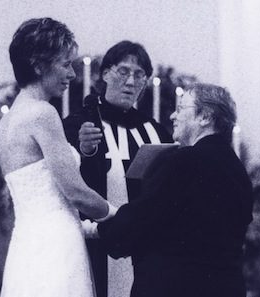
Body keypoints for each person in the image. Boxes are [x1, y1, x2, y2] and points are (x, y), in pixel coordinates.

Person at [96, 83, 254, 297]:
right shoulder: (238, 170)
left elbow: (141, 219)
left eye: (180, 109)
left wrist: (100, 230)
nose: (172, 116)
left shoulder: (182, 161)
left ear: (205, 117)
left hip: (176, 287)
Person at [0, 18, 116, 297]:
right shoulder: (42, 113)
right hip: (56, 250)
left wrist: (89, 228)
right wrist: (118, 216)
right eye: (65, 64)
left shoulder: (10, 119)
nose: (72, 74)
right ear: (39, 65)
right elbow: (75, 193)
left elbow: (42, 200)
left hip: (26, 249)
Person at [63, 41, 173, 297]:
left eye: (139, 75)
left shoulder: (154, 131)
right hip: (95, 244)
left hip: (147, 248)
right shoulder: (79, 124)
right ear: (105, 74)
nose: (131, 81)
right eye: (123, 72)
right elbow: (69, 182)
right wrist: (86, 150)